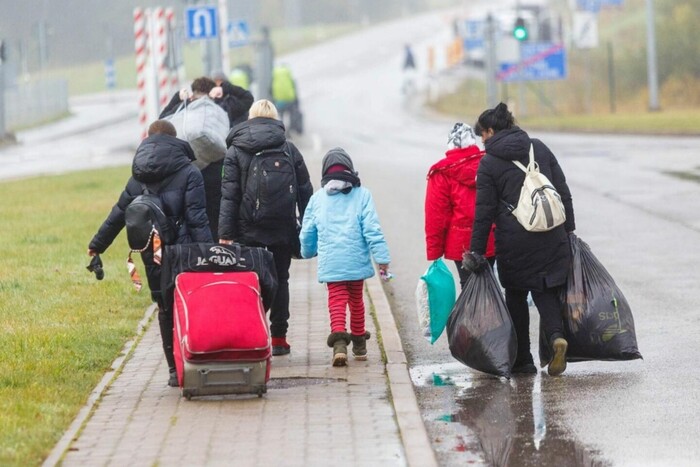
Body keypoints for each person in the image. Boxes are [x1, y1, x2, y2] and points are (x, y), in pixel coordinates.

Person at [87, 120, 213, 386]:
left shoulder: (137, 177)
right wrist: (209, 254)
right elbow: (197, 218)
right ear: (174, 140)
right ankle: (193, 362)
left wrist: (98, 244)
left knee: (164, 307)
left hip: (151, 251)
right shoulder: (190, 172)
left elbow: (119, 213)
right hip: (185, 250)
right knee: (188, 304)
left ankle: (172, 371)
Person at [465, 102, 576, 376]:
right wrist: (569, 230)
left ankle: (523, 360)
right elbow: (562, 190)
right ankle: (555, 338)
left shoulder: (489, 163)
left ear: (491, 130)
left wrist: (476, 253)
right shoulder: (538, 146)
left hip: (515, 242)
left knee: (516, 295)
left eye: (482, 134)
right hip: (552, 235)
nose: (482, 140)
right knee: (545, 290)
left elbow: (484, 213)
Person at [218, 99, 313, 356]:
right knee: (282, 280)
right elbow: (305, 190)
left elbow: (229, 195)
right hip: (283, 227)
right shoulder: (289, 148)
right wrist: (308, 225)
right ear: (275, 118)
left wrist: (226, 234)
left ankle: (254, 334)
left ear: (250, 118)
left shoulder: (236, 150)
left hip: (248, 228)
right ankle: (279, 338)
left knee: (252, 281)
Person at [299, 148, 391, 367]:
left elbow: (307, 231)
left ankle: (340, 344)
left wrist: (307, 252)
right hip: (355, 261)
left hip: (332, 262)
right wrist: (382, 259)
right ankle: (359, 344)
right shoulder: (363, 195)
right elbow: (372, 229)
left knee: (336, 300)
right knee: (356, 300)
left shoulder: (318, 198)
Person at [424, 122, 495, 289]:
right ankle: (489, 314)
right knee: (487, 285)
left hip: (461, 242)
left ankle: (471, 315)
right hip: (490, 238)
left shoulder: (441, 172)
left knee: (468, 286)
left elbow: (436, 215)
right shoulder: (489, 163)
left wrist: (434, 252)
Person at [159, 76, 227, 241]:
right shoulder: (218, 110)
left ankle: (194, 252)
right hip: (214, 174)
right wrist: (226, 88)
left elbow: (162, 122)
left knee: (189, 214)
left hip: (185, 174)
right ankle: (214, 251)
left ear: (193, 93)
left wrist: (177, 98)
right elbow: (246, 100)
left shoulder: (184, 111)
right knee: (213, 214)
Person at [271, 64, 302, 135]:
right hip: (289, 101)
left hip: (279, 102)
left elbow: (271, 90)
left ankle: (281, 130)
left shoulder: (275, 78)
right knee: (291, 114)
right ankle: (290, 130)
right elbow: (294, 90)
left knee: (281, 115)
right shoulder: (289, 78)